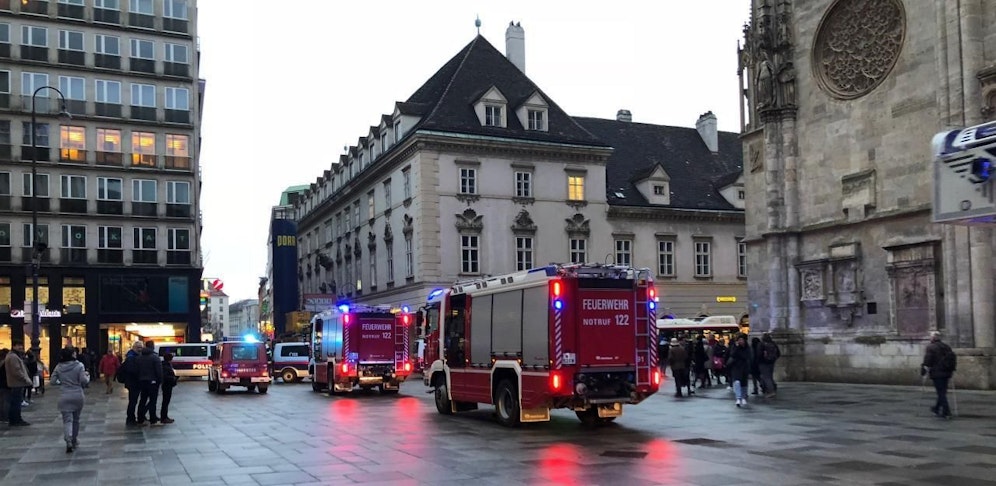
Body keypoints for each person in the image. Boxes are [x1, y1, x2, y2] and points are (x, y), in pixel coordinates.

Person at [50, 347, 89, 453]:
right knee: (76, 419)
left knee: (67, 420)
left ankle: (68, 440)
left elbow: (52, 381)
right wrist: (87, 376)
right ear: (72, 354)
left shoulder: (59, 367)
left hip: (64, 395)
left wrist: (62, 383)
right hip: (77, 394)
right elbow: (83, 380)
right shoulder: (79, 365)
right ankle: (74, 440)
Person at [921, 331, 956, 419]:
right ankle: (936, 408)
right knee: (942, 392)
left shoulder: (931, 347)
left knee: (941, 393)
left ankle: (947, 412)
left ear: (933, 338)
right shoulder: (947, 347)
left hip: (937, 373)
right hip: (947, 372)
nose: (930, 338)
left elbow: (928, 360)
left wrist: (924, 370)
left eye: (930, 336)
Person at [4, 341, 33, 426]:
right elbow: (16, 371)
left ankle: (14, 419)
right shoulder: (13, 357)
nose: (20, 347)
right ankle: (16, 420)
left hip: (15, 383)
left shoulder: (13, 356)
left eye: (21, 345)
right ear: (14, 346)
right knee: (16, 402)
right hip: (17, 383)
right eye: (18, 345)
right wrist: (25, 379)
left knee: (15, 402)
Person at [136, 340, 163, 426]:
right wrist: (160, 380)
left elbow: (137, 370)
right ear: (152, 346)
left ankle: (140, 418)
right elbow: (159, 371)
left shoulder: (139, 357)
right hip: (153, 382)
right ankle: (153, 419)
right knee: (153, 401)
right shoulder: (155, 357)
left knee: (142, 400)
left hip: (142, 381)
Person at [120, 341, 144, 425]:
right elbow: (131, 370)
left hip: (136, 382)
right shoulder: (131, 357)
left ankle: (136, 417)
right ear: (134, 348)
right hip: (133, 383)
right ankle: (130, 418)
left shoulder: (136, 356)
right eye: (138, 347)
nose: (140, 349)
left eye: (141, 347)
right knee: (133, 401)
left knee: (135, 401)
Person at [727, 335, 751, 408]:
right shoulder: (734, 347)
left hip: (744, 367)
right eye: (739, 340)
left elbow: (747, 356)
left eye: (742, 340)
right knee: (737, 382)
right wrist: (737, 347)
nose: (740, 341)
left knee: (744, 384)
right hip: (736, 367)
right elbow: (732, 354)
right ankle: (738, 398)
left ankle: (743, 397)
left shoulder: (747, 348)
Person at [759, 333, 781, 398]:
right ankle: (772, 388)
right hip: (771, 362)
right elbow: (778, 353)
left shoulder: (762, 344)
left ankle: (771, 391)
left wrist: (760, 361)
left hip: (763, 363)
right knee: (770, 376)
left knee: (766, 377)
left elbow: (759, 354)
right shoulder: (773, 344)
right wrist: (773, 359)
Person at [160, 353, 178, 424]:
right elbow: (166, 376)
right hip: (167, 385)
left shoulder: (165, 365)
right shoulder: (166, 366)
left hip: (167, 385)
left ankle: (165, 416)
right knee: (165, 401)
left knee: (166, 401)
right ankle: (164, 417)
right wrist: (173, 379)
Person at [0, 349, 9, 423]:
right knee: (5, 401)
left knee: (2, 401)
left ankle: (2, 416)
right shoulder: (5, 364)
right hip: (4, 384)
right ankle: (5, 417)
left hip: (2, 384)